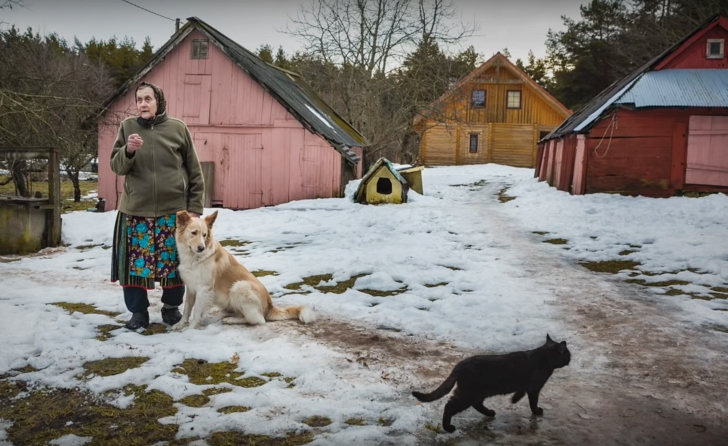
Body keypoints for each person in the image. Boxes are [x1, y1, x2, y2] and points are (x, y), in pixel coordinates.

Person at [110, 81, 205, 330]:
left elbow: (195, 171)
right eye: (139, 99)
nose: (143, 104)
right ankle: (138, 313)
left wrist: (194, 207)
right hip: (135, 212)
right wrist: (128, 151)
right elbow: (117, 167)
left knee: (174, 266)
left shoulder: (177, 128)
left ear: (159, 101)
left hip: (173, 214)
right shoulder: (127, 128)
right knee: (132, 267)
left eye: (148, 99)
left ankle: (171, 309)